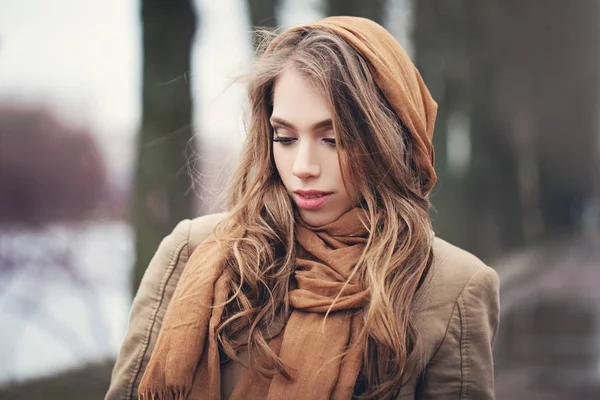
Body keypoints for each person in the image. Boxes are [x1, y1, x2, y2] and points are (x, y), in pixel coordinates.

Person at [106, 16, 500, 400]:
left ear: (391, 140)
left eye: (333, 139)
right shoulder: (193, 251)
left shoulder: (454, 287)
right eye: (285, 137)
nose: (304, 168)